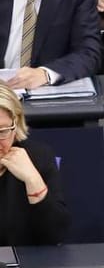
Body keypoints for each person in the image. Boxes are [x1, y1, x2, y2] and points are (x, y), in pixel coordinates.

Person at [0, 84, 69, 245]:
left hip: (24, 266)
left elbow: (56, 234)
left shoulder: (38, 157)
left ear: (15, 126)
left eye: (2, 131)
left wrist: (32, 179)